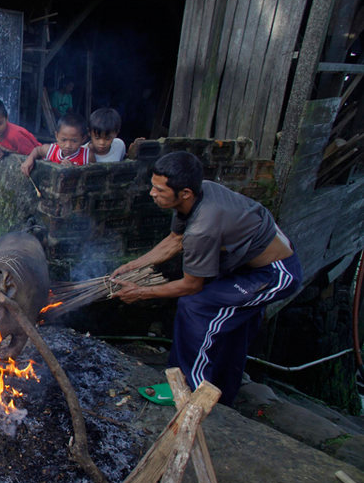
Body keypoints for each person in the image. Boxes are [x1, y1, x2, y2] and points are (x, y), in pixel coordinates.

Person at [111, 151, 302, 406]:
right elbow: (174, 240)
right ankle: (222, 393)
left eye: (159, 190)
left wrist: (140, 292)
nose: (152, 193)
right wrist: (133, 265)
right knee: (231, 329)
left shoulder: (202, 228)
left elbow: (191, 286)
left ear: (185, 192)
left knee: (197, 307)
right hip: (245, 266)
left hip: (275, 274)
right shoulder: (201, 193)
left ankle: (187, 388)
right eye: (153, 186)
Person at [20, 113, 90, 176]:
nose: (68, 145)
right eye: (64, 140)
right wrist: (30, 159)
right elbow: (38, 150)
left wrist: (75, 170)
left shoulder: (87, 156)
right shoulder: (52, 150)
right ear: (56, 136)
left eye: (74, 141)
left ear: (83, 139)